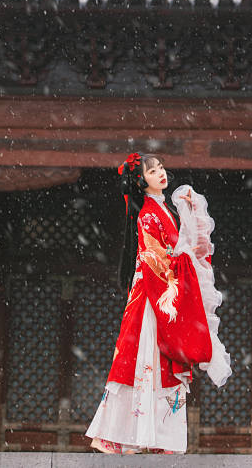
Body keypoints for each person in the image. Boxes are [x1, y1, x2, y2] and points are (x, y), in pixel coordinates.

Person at [85, 152, 231, 455]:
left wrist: (191, 218)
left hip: (160, 297)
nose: (161, 173)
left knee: (151, 365)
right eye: (152, 171)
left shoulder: (164, 209)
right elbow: (157, 261)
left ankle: (149, 436)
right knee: (149, 363)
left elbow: (178, 252)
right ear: (141, 180)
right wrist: (183, 264)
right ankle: (143, 436)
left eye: (161, 167)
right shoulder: (149, 215)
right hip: (154, 301)